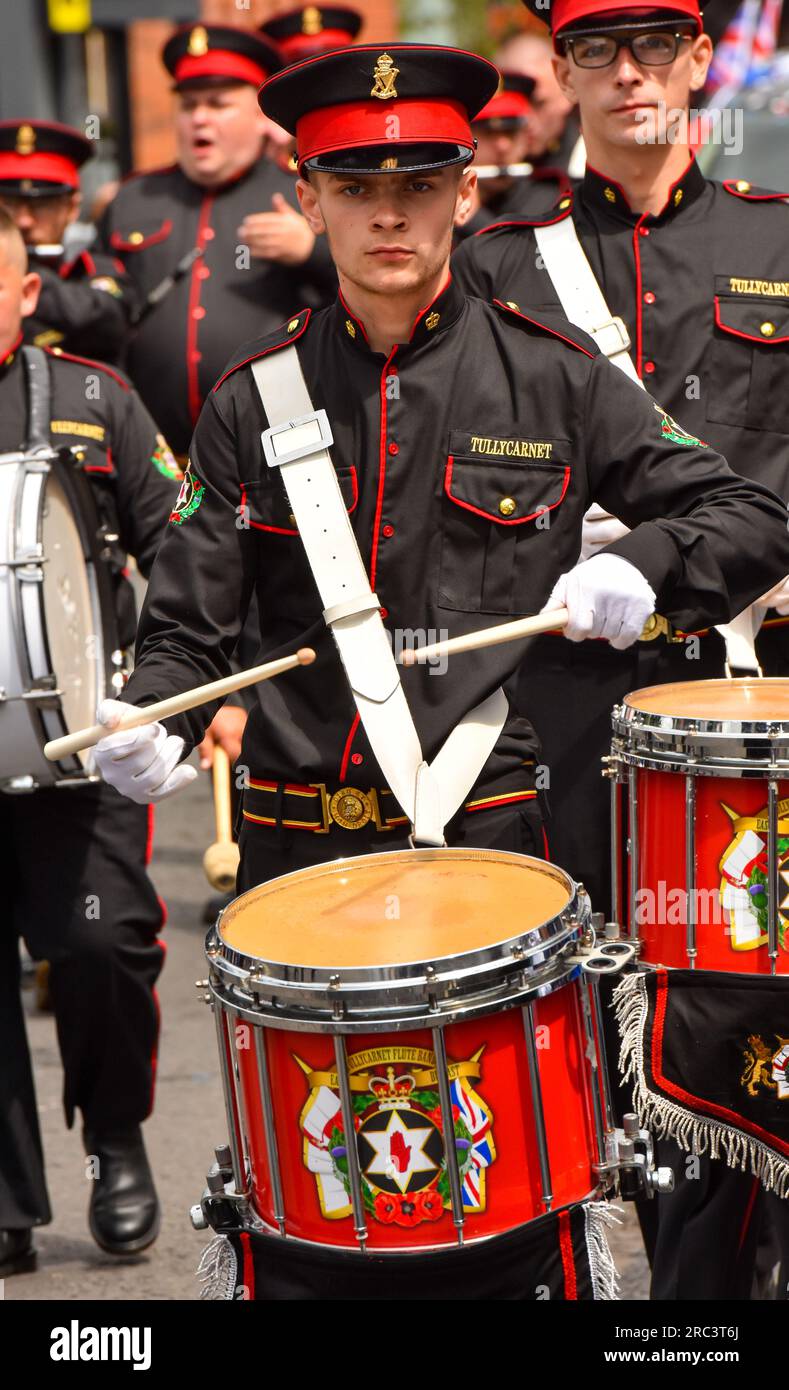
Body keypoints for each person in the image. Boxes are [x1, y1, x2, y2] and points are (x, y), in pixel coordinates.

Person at [92, 43, 789, 1301]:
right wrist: (149, 713)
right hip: (302, 862)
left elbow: (745, 510)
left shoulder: (560, 376)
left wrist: (651, 562)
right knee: (322, 1224)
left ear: (465, 193)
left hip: (502, 855)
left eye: (421, 183)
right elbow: (192, 629)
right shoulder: (252, 404)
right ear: (309, 198)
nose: (391, 214)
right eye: (357, 186)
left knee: (515, 1214)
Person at [453, 0, 789, 1300]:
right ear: (570, 71)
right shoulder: (498, 261)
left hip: (753, 689)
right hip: (566, 697)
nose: (630, 71)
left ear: (702, 60)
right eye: (598, 48)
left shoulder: (773, 235)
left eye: (658, 42)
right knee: (586, 1017)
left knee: (741, 1013)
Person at [0, 211, 179, 1276]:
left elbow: (189, 547)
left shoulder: (94, 399)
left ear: (28, 295)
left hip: (77, 742)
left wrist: (161, 696)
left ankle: (116, 1136)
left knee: (105, 945)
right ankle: (7, 1202)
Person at [96, 23, 337, 462]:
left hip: (275, 454)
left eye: (219, 103)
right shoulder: (134, 198)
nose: (200, 117)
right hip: (151, 457)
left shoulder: (304, 194)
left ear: (261, 116)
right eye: (188, 105)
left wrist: (313, 251)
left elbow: (371, 299)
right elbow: (97, 310)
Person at [0, 120, 132, 363]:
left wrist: (21, 272)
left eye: (41, 205)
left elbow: (104, 321)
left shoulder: (92, 268)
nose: (24, 221)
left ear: (71, 208)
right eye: (9, 204)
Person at [454, 71, 572, 241]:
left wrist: (474, 219)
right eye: (488, 133)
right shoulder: (443, 196)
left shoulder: (550, 198)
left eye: (511, 133)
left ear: (527, 137)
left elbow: (529, 261)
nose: (503, 146)